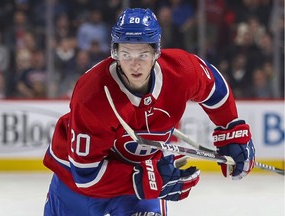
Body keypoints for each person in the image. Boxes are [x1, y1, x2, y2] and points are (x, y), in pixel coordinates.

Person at [43, 8, 255, 216]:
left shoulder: (181, 70)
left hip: (139, 178)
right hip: (76, 182)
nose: (135, 64)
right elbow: (86, 175)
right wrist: (149, 180)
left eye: (143, 53)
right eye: (126, 53)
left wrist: (230, 127)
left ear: (156, 51)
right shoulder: (93, 95)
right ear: (115, 52)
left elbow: (213, 87)